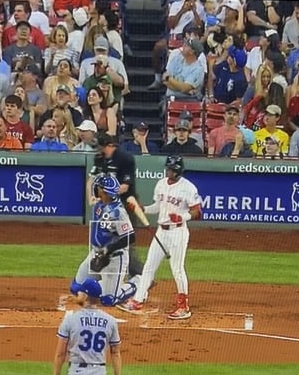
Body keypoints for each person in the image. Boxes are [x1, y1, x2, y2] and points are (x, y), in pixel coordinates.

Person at [117, 155, 203, 320]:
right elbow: (158, 206)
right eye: (167, 168)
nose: (168, 171)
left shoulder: (188, 187)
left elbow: (197, 211)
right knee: (149, 266)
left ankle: (183, 307)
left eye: (171, 169)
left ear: (178, 171)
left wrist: (182, 217)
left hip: (178, 232)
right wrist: (143, 209)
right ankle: (137, 300)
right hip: (161, 232)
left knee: (177, 269)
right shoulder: (161, 184)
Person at [70, 173, 141, 308]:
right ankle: (105, 285)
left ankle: (138, 282)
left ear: (104, 192)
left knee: (109, 300)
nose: (95, 189)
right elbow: (93, 194)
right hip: (96, 253)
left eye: (98, 187)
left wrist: (108, 249)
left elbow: (130, 237)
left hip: (114, 259)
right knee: (76, 288)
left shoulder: (118, 213)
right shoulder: (99, 204)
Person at [91, 133, 145, 278]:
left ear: (110, 146)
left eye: (101, 147)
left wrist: (107, 193)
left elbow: (124, 187)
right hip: (106, 205)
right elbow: (94, 178)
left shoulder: (125, 158)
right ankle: (103, 275)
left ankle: (140, 276)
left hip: (125, 206)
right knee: (103, 239)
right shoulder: (99, 159)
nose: (98, 151)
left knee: (125, 241)